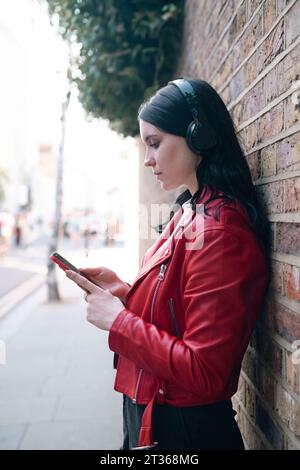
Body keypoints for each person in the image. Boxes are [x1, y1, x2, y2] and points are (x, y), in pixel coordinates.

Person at [65, 77, 270, 450]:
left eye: (155, 143)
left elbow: (206, 371)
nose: (148, 159)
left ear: (199, 136)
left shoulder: (221, 232)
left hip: (182, 429)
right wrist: (124, 294)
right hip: (151, 413)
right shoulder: (190, 210)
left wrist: (117, 321)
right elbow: (178, 311)